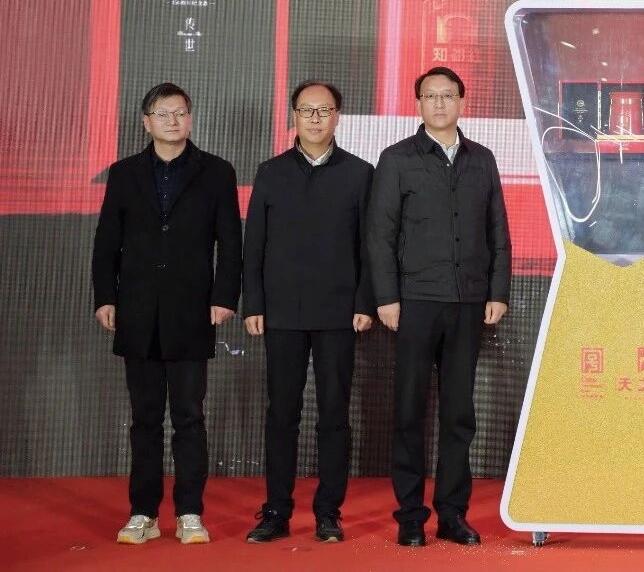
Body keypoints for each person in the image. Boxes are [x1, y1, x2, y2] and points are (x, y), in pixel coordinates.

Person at [366, 66, 511, 548]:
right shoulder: (397, 159)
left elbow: (497, 231)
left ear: (463, 103)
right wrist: (386, 297)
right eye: (430, 96)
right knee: (409, 411)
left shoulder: (482, 160)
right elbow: (380, 235)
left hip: (468, 301)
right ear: (418, 105)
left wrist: (497, 291)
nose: (440, 104)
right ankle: (410, 516)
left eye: (448, 96)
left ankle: (452, 514)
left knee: (459, 413)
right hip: (414, 302)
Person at [91, 82, 241, 545]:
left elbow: (230, 243)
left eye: (180, 113)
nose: (172, 121)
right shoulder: (123, 173)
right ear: (146, 121)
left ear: (190, 119)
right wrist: (105, 297)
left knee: (190, 416)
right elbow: (106, 241)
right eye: (162, 113)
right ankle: (143, 513)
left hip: (192, 309)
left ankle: (190, 512)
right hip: (137, 310)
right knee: (145, 418)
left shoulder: (216, 171)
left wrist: (224, 297)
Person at [241, 81, 375, 545]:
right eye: (306, 110)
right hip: (281, 313)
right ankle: (276, 511)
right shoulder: (271, 172)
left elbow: (370, 247)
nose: (315, 119)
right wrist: (254, 304)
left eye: (324, 110)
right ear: (293, 117)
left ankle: (328, 513)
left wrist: (364, 302)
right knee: (282, 415)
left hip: (340, 313)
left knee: (334, 415)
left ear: (337, 117)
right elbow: (254, 245)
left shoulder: (360, 173)